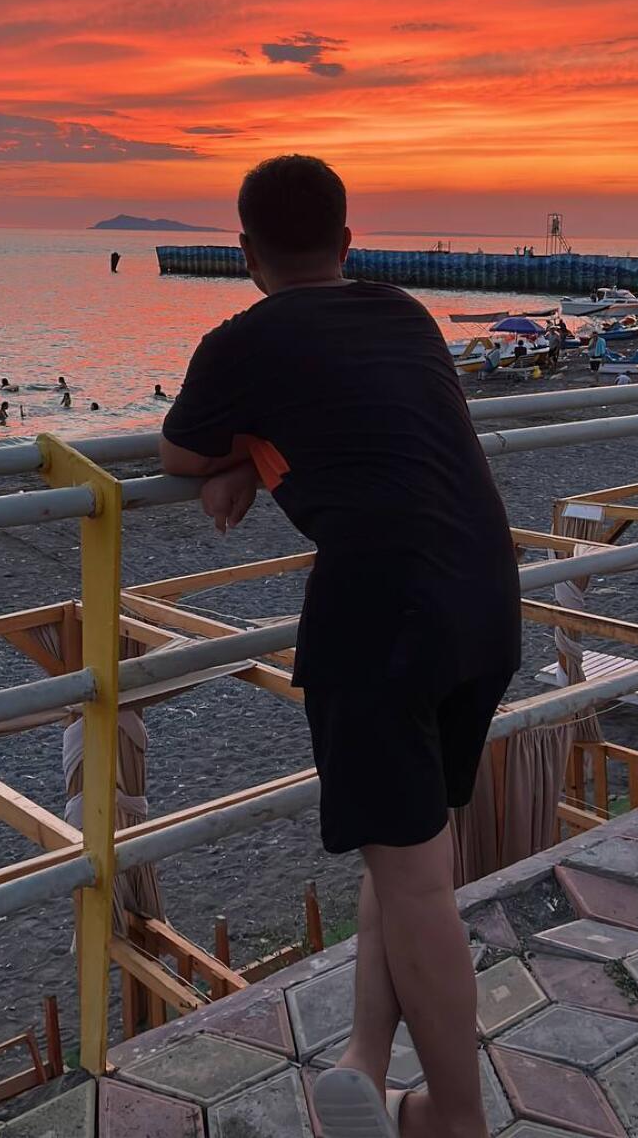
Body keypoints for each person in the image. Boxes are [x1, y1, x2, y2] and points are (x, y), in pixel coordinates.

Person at [160, 155, 520, 1138]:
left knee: (415, 878)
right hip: (484, 598)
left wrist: (241, 454)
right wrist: (260, 449)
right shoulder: (402, 313)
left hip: (381, 616)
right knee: (406, 855)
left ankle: (455, 1117)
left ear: (244, 253)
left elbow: (178, 452)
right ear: (348, 243)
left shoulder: (242, 342)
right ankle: (364, 1066)